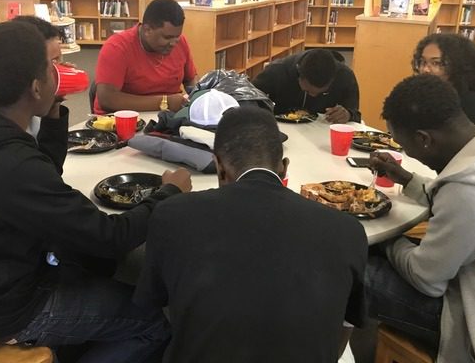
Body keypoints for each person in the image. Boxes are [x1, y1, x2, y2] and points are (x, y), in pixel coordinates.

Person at [0, 20, 193, 362]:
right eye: (52, 67)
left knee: (98, 264)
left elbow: (40, 179)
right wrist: (168, 192)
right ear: (36, 87)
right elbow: (109, 236)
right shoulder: (12, 164)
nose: (59, 72)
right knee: (153, 322)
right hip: (6, 311)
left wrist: (51, 115)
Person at [134, 106, 368, 363]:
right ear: (284, 168)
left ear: (219, 166)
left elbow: (155, 302)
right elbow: (344, 329)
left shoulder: (172, 214)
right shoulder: (347, 231)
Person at [366, 74, 475, 363]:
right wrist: (408, 180)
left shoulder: (470, 192)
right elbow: (468, 204)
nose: (405, 151)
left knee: (351, 267)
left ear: (424, 139)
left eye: (404, 144)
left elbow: (426, 280)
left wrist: (386, 238)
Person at [0, 15, 63, 137]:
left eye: (59, 60)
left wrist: (52, 106)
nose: (60, 69)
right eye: (53, 62)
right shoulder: (10, 110)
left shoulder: (14, 99)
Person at [94, 0, 198, 114]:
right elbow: (107, 99)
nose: (173, 43)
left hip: (169, 116)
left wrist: (197, 95)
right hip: (125, 118)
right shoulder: (117, 47)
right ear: (147, 30)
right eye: (167, 37)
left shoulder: (180, 43)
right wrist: (165, 102)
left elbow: (190, 80)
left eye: (177, 36)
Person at [253, 49, 361, 123]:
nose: (313, 96)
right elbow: (247, 98)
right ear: (299, 75)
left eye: (321, 93)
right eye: (307, 91)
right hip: (282, 130)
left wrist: (348, 114)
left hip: (321, 136)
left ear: (332, 80)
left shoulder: (345, 76)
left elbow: (355, 115)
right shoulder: (278, 71)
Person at [412, 33, 475, 124]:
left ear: (457, 66)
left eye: (436, 63)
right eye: (423, 62)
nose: (425, 69)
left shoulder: (472, 102)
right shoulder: (424, 92)